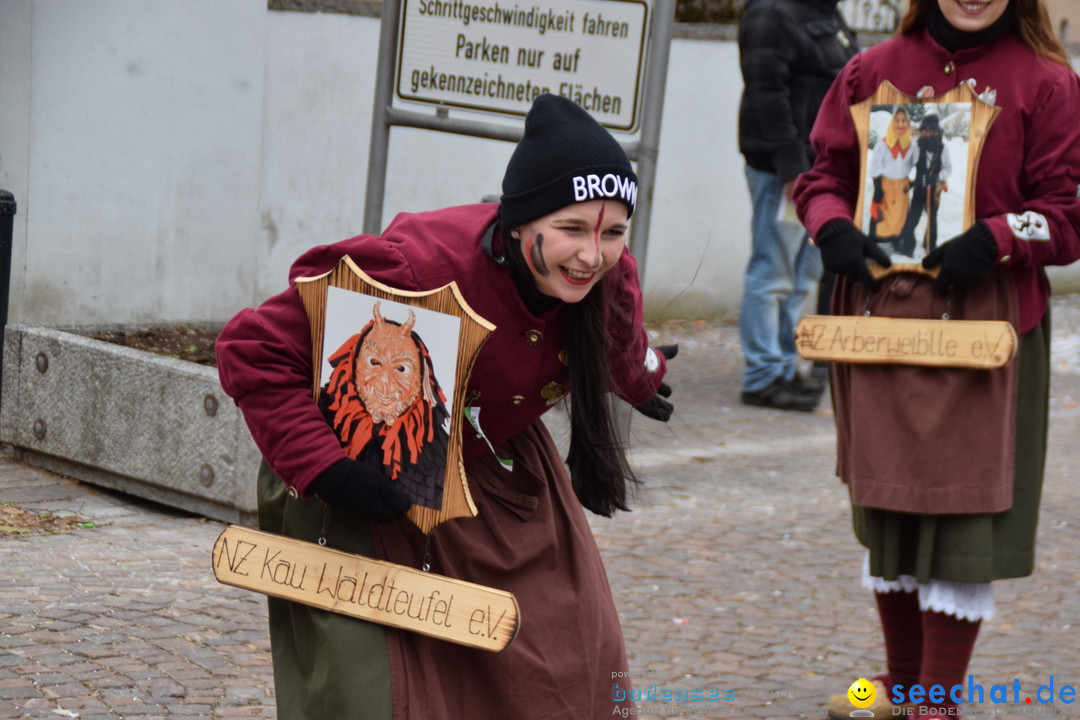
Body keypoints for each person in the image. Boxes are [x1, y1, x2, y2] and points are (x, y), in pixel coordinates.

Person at [215, 93, 676, 719]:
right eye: (571, 228)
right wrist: (327, 470)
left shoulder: (602, 279)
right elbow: (253, 348)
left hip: (492, 468)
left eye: (613, 232)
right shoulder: (418, 269)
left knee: (570, 660)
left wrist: (641, 377)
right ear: (519, 221)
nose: (593, 254)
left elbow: (615, 338)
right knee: (381, 695)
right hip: (357, 474)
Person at [793, 0, 1080, 718]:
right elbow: (822, 176)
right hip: (877, 315)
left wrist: (998, 235)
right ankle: (900, 684)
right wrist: (831, 228)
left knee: (961, 514)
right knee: (886, 500)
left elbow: (1066, 213)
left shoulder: (1046, 82)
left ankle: (937, 698)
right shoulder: (871, 69)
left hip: (988, 324)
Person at [736, 0, 858, 411]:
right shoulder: (772, 12)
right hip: (784, 173)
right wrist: (792, 170)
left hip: (818, 172)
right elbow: (766, 96)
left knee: (801, 279)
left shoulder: (824, 11)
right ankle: (762, 376)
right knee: (772, 274)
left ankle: (784, 368)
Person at [898, 113, 953, 257]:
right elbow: (907, 165)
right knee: (913, 217)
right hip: (919, 187)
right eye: (926, 130)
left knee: (932, 218)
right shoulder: (916, 147)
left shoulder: (943, 148)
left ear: (937, 131)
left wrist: (938, 177)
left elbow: (948, 167)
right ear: (922, 131)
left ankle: (930, 246)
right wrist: (908, 180)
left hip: (935, 189)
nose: (929, 133)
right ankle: (907, 246)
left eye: (932, 130)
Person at [867, 107, 916, 254]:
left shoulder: (911, 146)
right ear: (892, 123)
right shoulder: (882, 144)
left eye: (904, 121)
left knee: (900, 216)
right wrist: (877, 188)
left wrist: (912, 183)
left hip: (902, 186)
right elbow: (875, 167)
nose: (900, 124)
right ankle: (875, 242)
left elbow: (914, 163)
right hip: (886, 185)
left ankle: (896, 241)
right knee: (881, 214)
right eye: (897, 120)